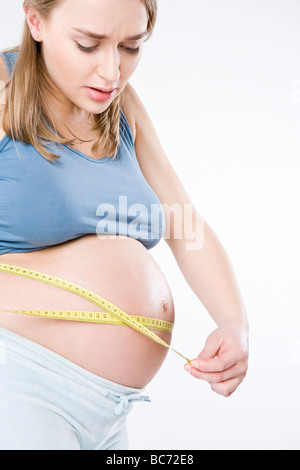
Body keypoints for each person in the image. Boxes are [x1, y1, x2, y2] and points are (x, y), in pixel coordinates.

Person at [0, 0, 249, 450]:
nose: (112, 71)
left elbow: (182, 219)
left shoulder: (121, 107)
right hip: (18, 383)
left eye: (131, 46)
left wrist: (233, 323)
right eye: (88, 45)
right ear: (35, 20)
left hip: (112, 412)